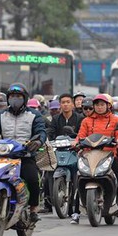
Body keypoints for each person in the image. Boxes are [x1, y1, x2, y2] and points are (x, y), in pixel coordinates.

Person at [0, 83, 47, 225]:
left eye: (18, 97)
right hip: (4, 156)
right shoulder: (1, 115)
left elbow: (41, 132)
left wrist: (38, 141)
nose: (15, 99)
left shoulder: (34, 115)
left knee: (33, 179)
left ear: (25, 98)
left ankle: (34, 209)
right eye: (12, 97)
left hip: (25, 156)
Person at [74, 94, 118, 224]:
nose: (99, 107)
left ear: (108, 106)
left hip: (109, 155)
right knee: (80, 178)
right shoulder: (87, 121)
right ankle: (76, 212)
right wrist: (76, 143)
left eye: (102, 104)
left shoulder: (116, 120)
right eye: (97, 105)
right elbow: (81, 136)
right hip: (89, 155)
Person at [47, 93, 83, 221]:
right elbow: (50, 132)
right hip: (58, 151)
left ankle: (77, 204)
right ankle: (49, 201)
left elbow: (82, 133)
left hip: (75, 151)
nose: (65, 104)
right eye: (63, 102)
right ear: (60, 105)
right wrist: (47, 140)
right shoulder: (56, 119)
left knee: (78, 176)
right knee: (48, 174)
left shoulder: (79, 118)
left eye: (68, 102)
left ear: (72, 104)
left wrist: (79, 142)